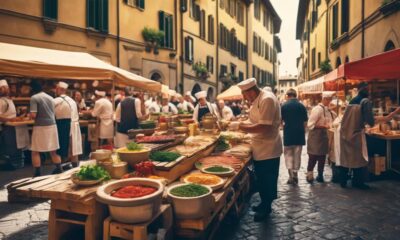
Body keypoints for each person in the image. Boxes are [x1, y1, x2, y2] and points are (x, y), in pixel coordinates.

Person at [339, 82, 400, 189]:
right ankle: (358, 183)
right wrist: (388, 116)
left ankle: (343, 181)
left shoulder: (352, 101)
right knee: (359, 159)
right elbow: (370, 122)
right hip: (356, 134)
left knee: (347, 158)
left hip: (345, 133)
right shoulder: (365, 101)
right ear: (367, 91)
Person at [238, 78, 282, 222]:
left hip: (268, 147)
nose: (244, 98)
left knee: (267, 179)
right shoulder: (258, 99)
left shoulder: (267, 99)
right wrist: (242, 123)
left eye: (245, 94)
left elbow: (264, 126)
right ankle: (264, 203)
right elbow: (254, 121)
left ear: (251, 91)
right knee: (262, 179)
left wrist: (240, 127)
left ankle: (266, 208)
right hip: (260, 145)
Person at [29, 80, 62, 176]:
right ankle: (59, 169)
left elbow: (33, 115)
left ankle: (37, 173)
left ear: (32, 89)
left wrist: (29, 114)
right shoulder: (50, 98)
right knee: (53, 150)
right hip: (52, 126)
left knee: (35, 150)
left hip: (40, 127)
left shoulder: (34, 98)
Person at [306, 91, 336, 183]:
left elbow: (333, 120)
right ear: (325, 99)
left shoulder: (328, 110)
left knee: (322, 157)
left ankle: (320, 176)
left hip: (324, 136)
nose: (330, 101)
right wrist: (323, 126)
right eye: (329, 99)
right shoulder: (317, 109)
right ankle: (309, 175)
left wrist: (332, 110)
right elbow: (310, 125)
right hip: (315, 136)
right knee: (313, 156)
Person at [0, 79, 29, 170]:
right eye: (5, 88)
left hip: (14, 127)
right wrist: (11, 119)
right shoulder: (1, 101)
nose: (8, 89)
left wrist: (19, 117)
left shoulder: (9, 100)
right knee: (11, 147)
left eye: (7, 87)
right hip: (7, 127)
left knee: (17, 146)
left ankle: (18, 163)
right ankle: (12, 165)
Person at [281, 89, 308, 184]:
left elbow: (280, 121)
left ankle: (290, 176)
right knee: (297, 155)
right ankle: (295, 174)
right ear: (295, 95)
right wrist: (302, 130)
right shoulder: (301, 106)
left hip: (288, 134)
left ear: (288, 95)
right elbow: (305, 122)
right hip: (299, 135)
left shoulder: (284, 106)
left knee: (288, 155)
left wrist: (283, 127)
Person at [54, 82, 82, 167]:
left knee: (61, 147)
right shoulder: (72, 100)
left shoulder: (57, 100)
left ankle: (60, 167)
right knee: (74, 147)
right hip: (74, 125)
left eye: (56, 89)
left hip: (64, 124)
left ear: (59, 90)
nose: (55, 90)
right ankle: (75, 166)